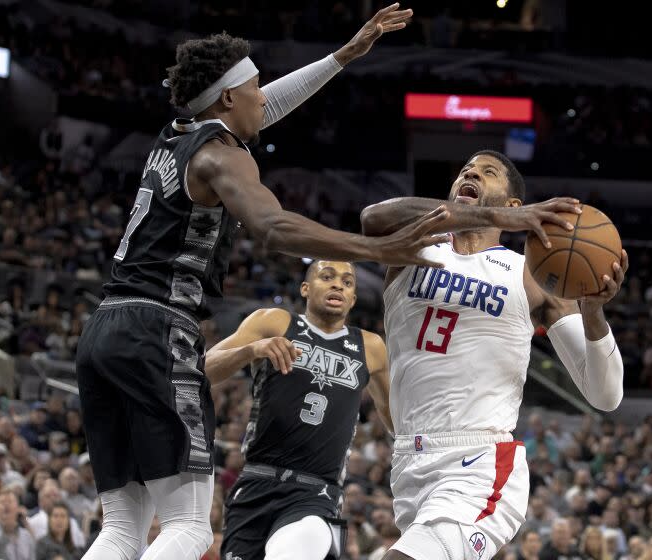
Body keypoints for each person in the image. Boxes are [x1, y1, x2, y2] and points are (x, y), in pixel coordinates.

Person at [74, 6, 448, 560]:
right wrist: (377, 249)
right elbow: (273, 228)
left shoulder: (178, 134)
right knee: (190, 528)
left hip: (104, 330)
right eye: (253, 87)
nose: (262, 97)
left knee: (123, 530)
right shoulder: (220, 155)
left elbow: (264, 105)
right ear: (228, 99)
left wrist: (342, 56)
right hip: (158, 328)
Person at [361, 150, 626, 560]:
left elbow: (605, 395)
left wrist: (592, 313)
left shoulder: (528, 275)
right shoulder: (412, 247)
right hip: (409, 459)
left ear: (515, 208)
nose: (471, 173)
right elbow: (373, 218)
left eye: (488, 173)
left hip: (479, 462)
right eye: (467, 169)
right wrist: (485, 216)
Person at [206, 261, 391, 560]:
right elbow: (205, 369)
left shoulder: (371, 346)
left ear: (353, 299)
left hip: (318, 492)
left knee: (297, 546)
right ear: (305, 288)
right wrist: (252, 350)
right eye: (327, 277)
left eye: (347, 282)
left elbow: (395, 420)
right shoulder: (275, 322)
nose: (337, 286)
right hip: (257, 481)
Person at [0, 489, 35, 560]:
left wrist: (26, 523)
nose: (6, 504)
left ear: (18, 508)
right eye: (2, 502)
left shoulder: (26, 535)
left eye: (10, 501)